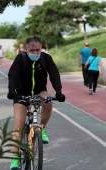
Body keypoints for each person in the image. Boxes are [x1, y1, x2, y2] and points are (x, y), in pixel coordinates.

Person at [7, 36, 65, 170]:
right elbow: (13, 75)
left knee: (48, 101)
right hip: (21, 93)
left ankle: (42, 128)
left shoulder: (45, 58)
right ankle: (15, 158)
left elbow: (54, 74)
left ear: (41, 49)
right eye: (32, 50)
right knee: (19, 125)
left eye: (37, 50)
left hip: (39, 91)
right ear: (26, 50)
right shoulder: (20, 58)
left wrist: (59, 92)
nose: (35, 53)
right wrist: (11, 91)